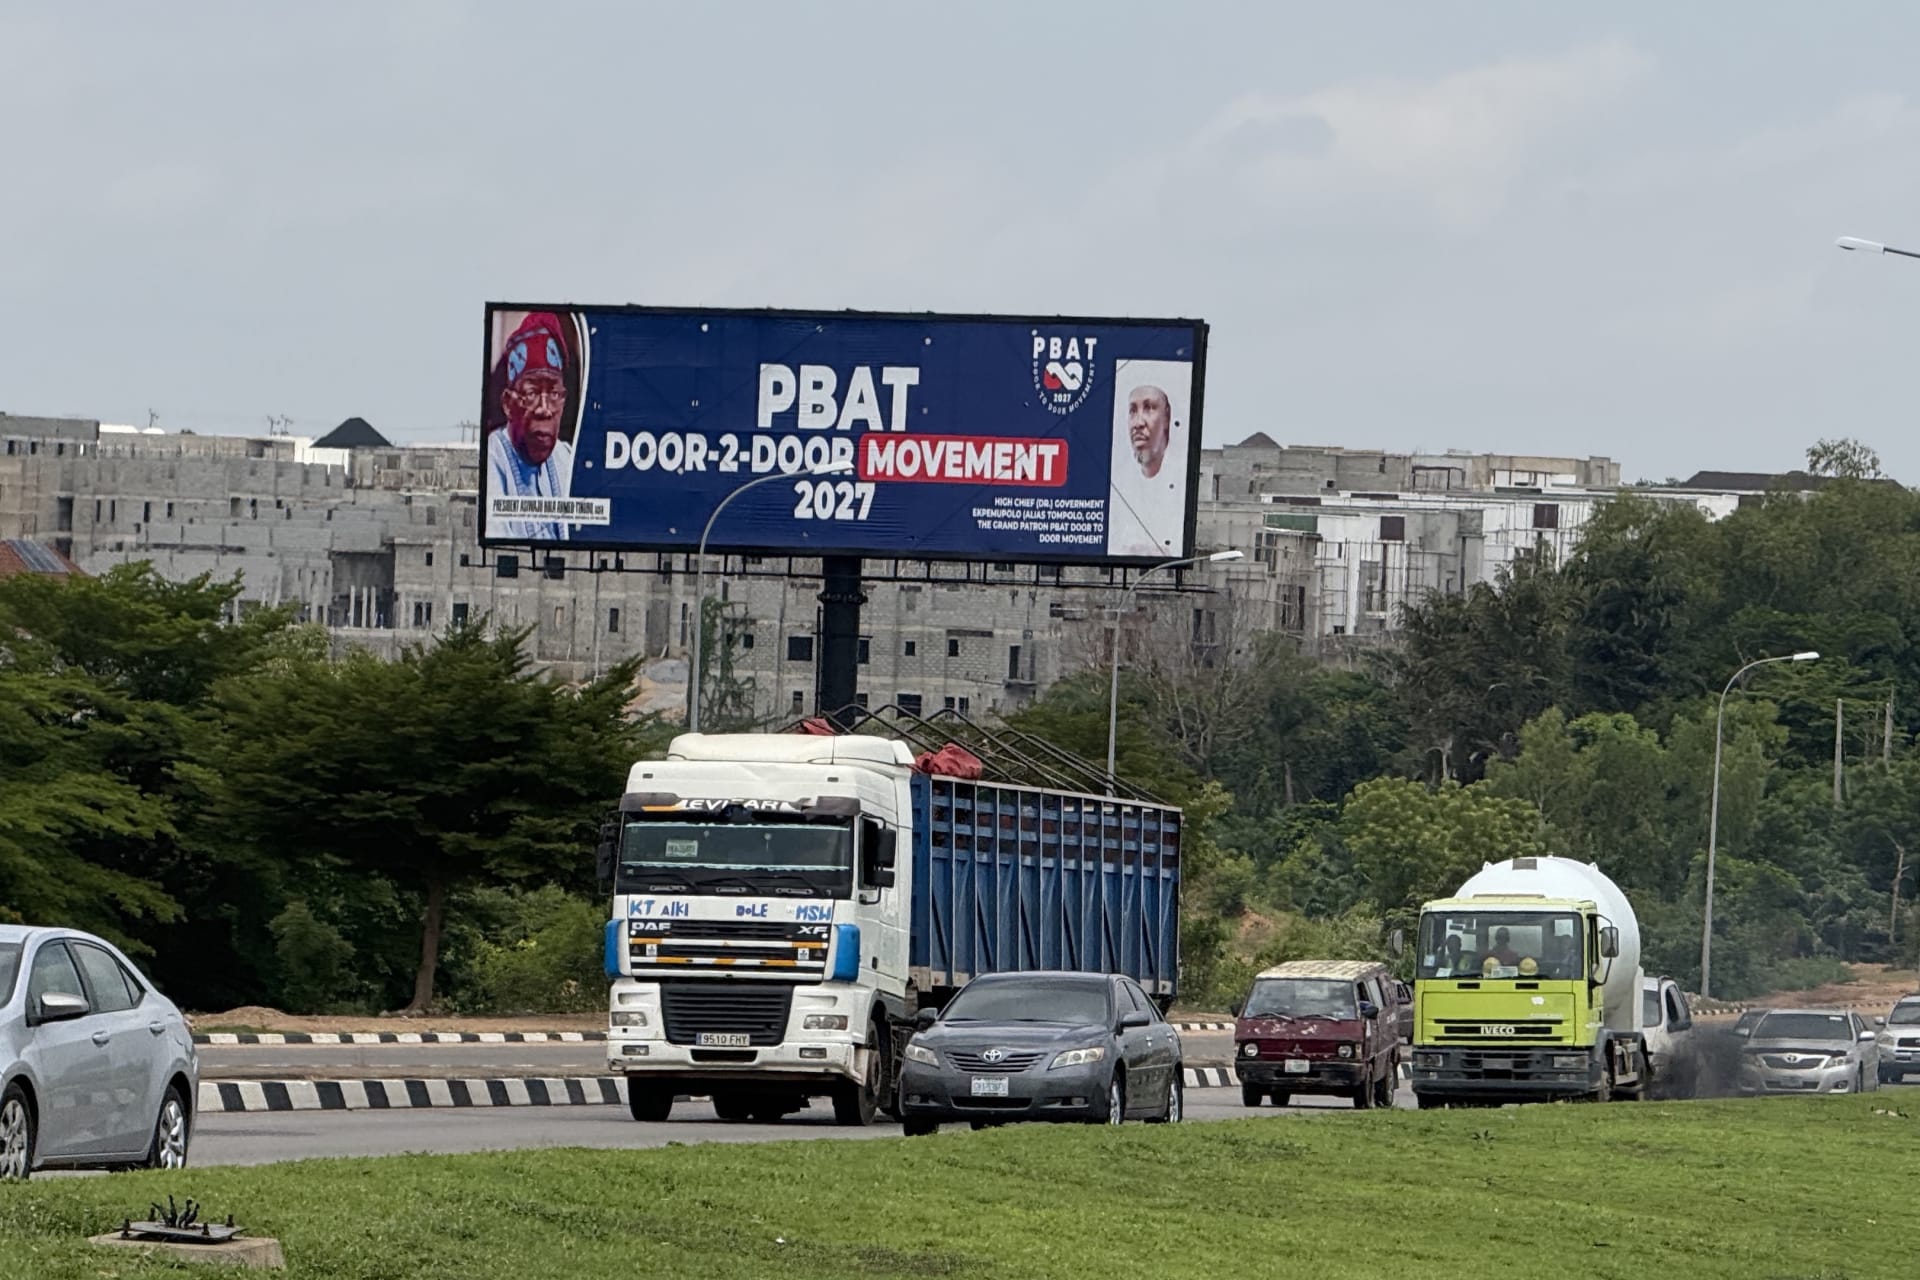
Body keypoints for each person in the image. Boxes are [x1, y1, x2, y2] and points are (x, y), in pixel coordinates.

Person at [487, 311, 575, 542]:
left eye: (554, 393)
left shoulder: (566, 457)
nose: (544, 409)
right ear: (508, 403)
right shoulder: (491, 459)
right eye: (532, 393)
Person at [1105, 380, 1184, 557]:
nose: (1138, 423)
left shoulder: (1181, 481)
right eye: (1133, 410)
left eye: (1149, 408)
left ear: (1166, 418)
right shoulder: (1116, 483)